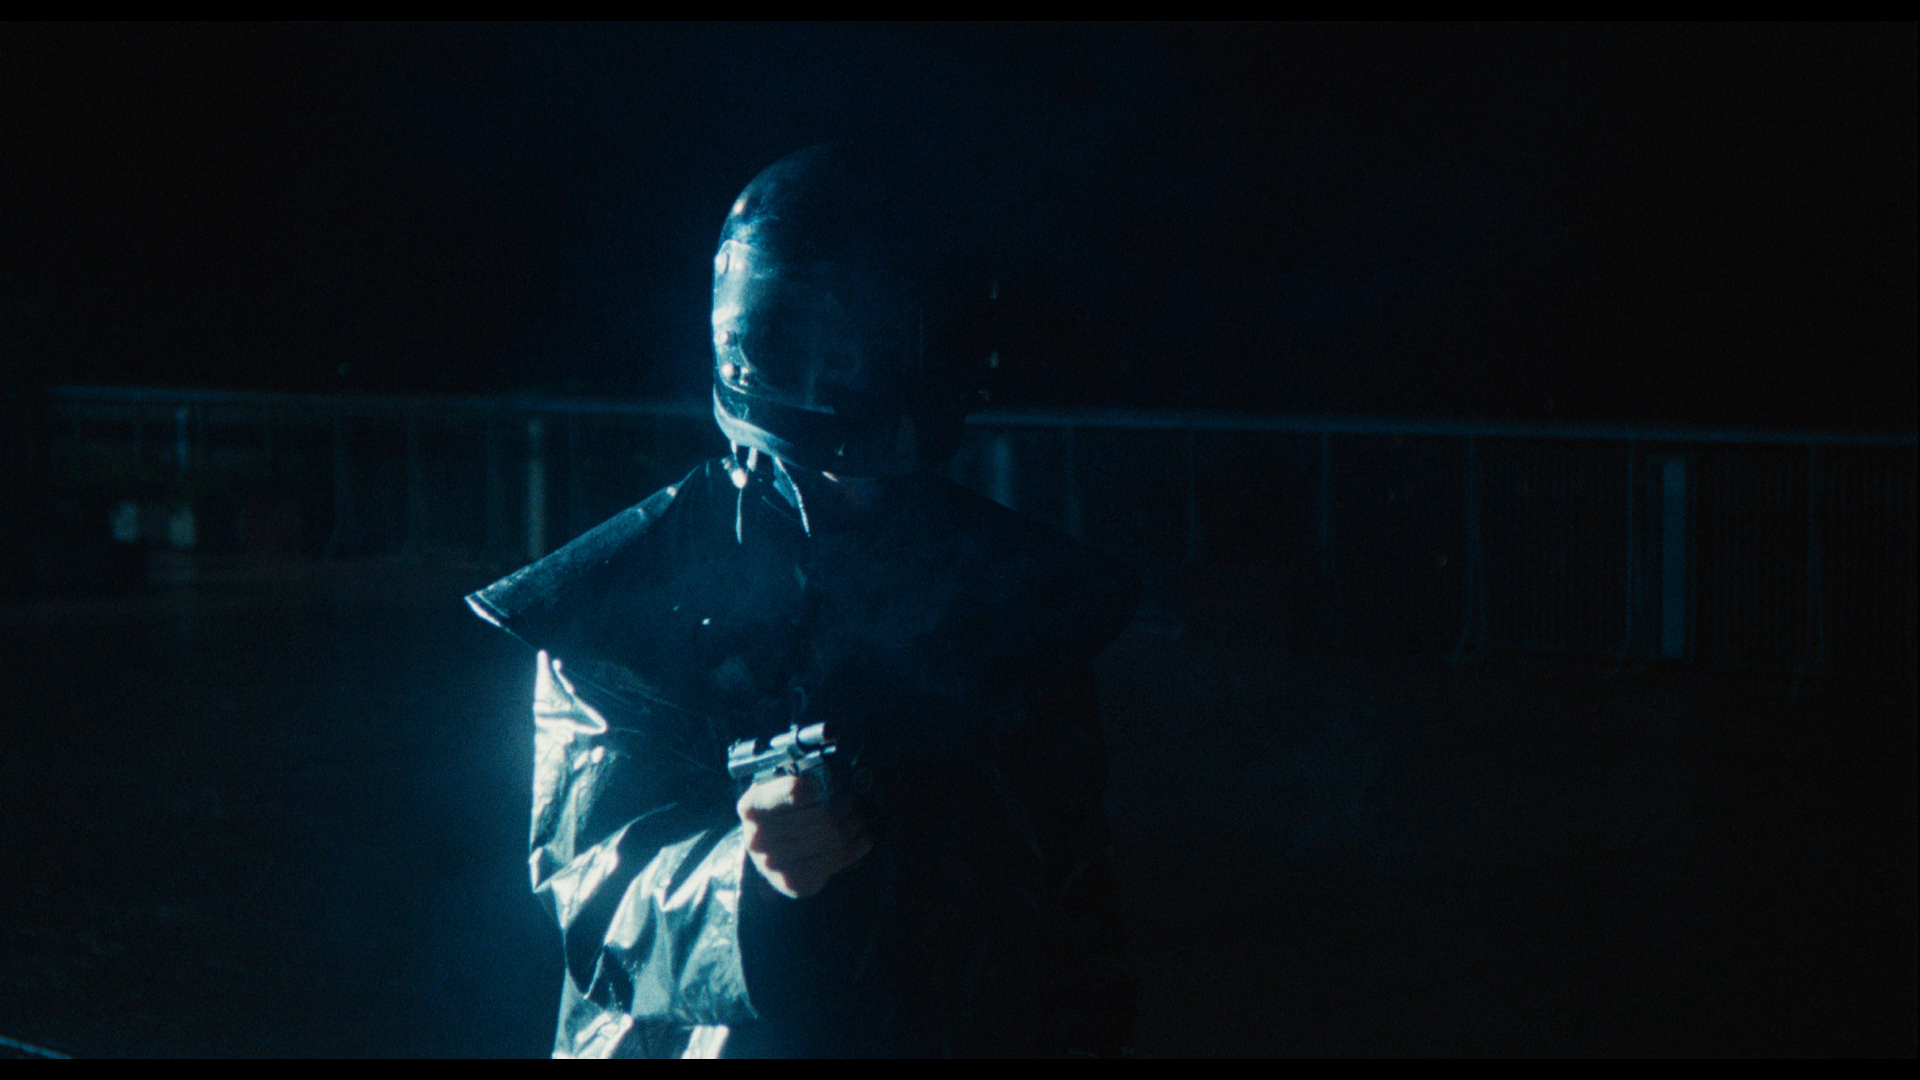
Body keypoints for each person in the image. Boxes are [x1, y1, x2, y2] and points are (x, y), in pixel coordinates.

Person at [466, 143, 1140, 1058]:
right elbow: (599, 896)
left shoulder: (1010, 596)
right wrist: (746, 875)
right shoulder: (624, 604)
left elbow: (1073, 904)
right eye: (831, 344)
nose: (862, 490)